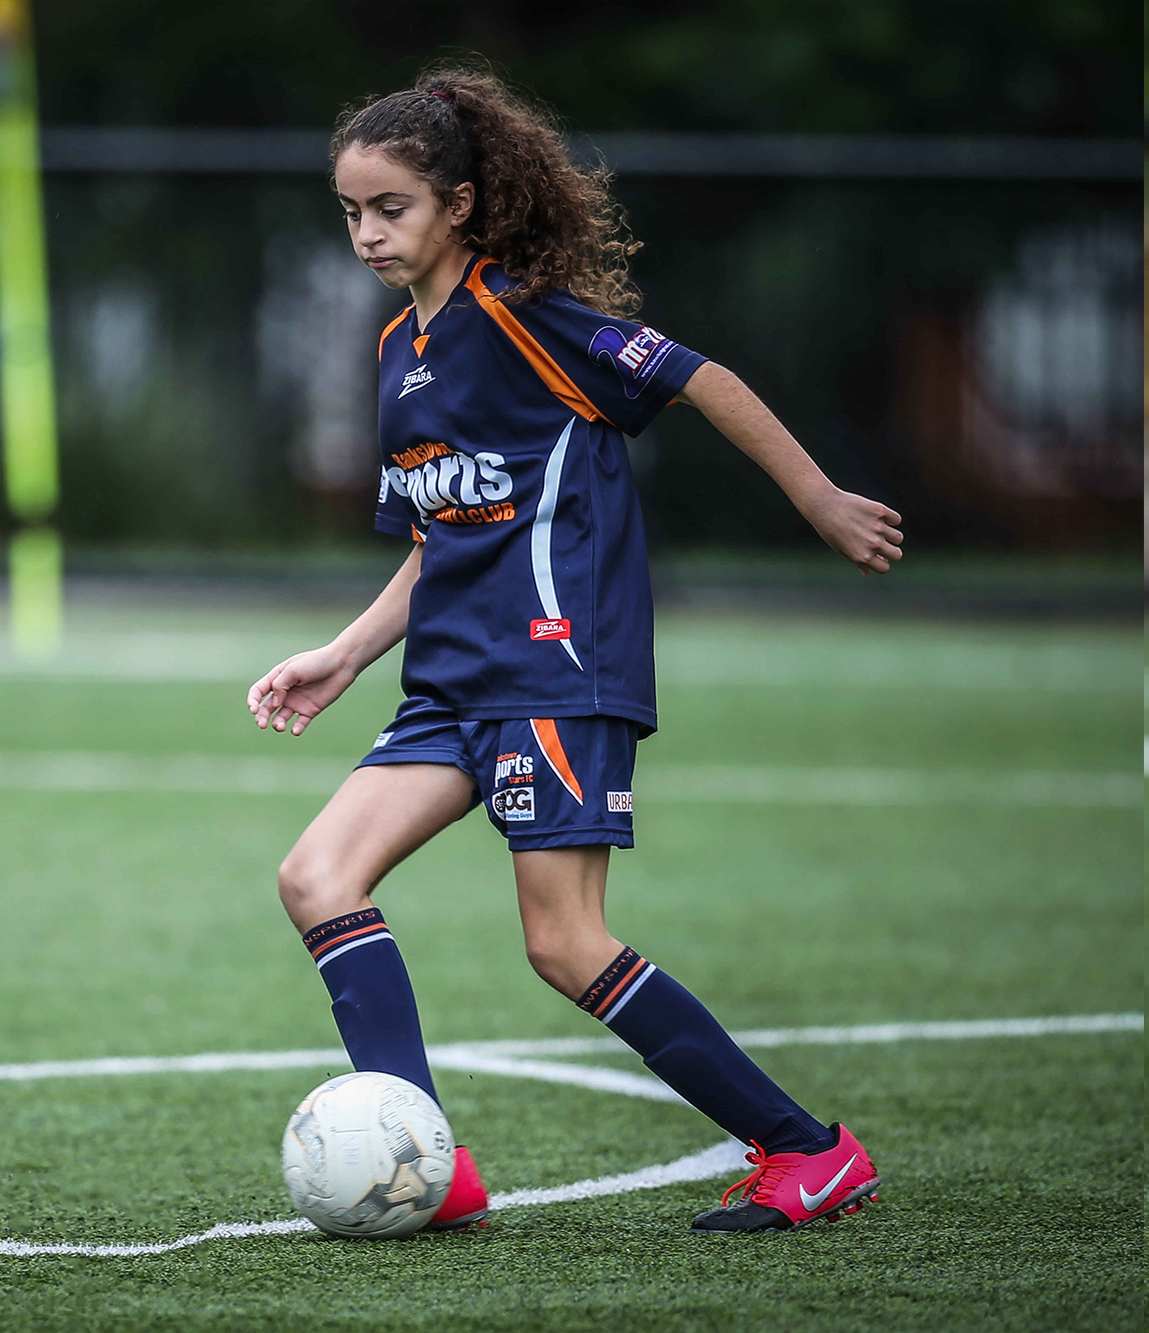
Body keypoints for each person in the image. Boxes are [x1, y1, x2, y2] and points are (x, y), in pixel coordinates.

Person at [248, 67, 901, 1233]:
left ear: (457, 202)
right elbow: (442, 539)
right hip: (448, 682)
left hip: (554, 668)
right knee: (316, 878)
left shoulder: (525, 314)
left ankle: (809, 1149)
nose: (365, 233)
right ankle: (430, 1167)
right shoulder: (398, 348)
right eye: (349, 212)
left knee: (563, 943)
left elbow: (699, 378)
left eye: (389, 207)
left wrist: (818, 499)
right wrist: (344, 653)